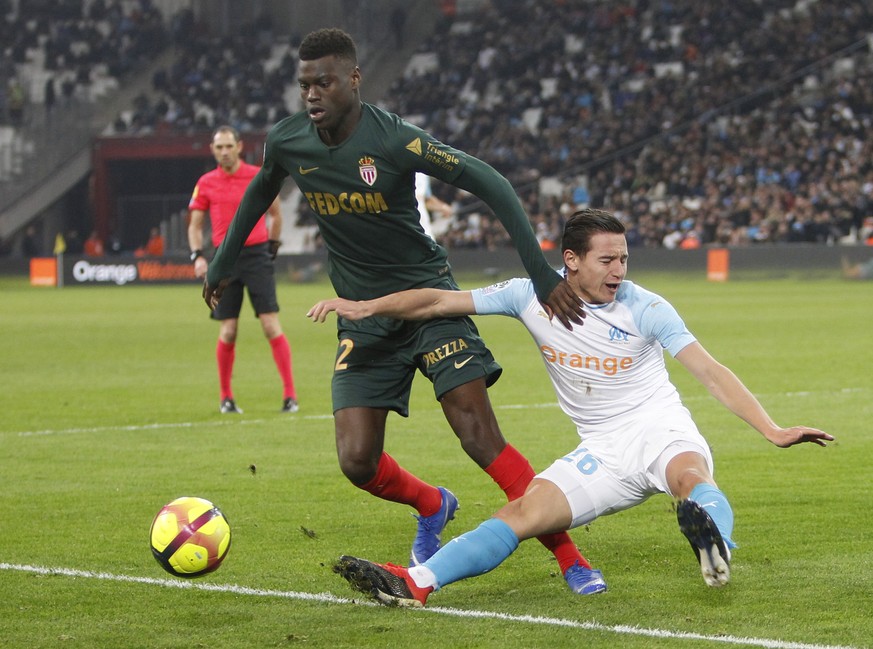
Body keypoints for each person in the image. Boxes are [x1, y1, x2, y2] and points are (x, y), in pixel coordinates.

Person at [202, 28, 601, 595]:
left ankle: (571, 559)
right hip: (363, 318)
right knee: (357, 461)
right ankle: (433, 504)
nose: (312, 94)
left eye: (324, 82)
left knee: (477, 434)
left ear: (354, 80)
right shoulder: (288, 142)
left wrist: (541, 274)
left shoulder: (394, 139)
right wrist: (220, 265)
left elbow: (490, 181)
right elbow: (259, 194)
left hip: (429, 301)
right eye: (304, 85)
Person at [309, 208, 835, 606]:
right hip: (602, 452)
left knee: (689, 478)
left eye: (624, 258)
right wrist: (367, 306)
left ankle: (712, 539)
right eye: (607, 259)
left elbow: (711, 372)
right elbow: (437, 301)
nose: (619, 269)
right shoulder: (528, 297)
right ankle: (413, 583)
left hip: (659, 428)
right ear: (571, 261)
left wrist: (772, 429)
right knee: (523, 513)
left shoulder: (646, 307)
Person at [189, 125, 298, 415]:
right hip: (225, 258)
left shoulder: (256, 175)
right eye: (218, 147)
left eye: (228, 146)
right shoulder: (206, 182)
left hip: (256, 255)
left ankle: (290, 395)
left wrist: (272, 246)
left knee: (270, 324)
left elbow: (275, 214)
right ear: (212, 150)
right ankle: (226, 397)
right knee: (229, 329)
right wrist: (198, 255)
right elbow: (195, 225)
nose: (223, 151)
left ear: (239, 146)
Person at [415, 172, 453, 241]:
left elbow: (425, 201)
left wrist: (443, 207)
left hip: (421, 225)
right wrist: (443, 207)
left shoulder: (423, 175)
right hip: (409, 223)